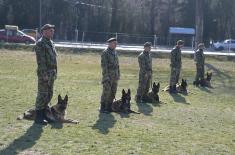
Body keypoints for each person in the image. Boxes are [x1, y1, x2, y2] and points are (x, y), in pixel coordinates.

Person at [34, 24, 57, 124]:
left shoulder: (50, 42)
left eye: (53, 30)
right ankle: (38, 117)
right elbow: (41, 61)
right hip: (45, 74)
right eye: (51, 30)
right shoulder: (40, 43)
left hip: (52, 73)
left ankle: (45, 114)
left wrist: (55, 72)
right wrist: (44, 75)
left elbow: (54, 59)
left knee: (49, 94)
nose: (53, 32)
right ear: (44, 31)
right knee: (42, 94)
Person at [100, 38, 120, 113]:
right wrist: (106, 77)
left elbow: (117, 65)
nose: (116, 45)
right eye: (114, 43)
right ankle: (103, 107)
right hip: (108, 75)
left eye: (116, 43)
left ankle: (109, 107)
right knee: (106, 92)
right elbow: (104, 66)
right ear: (110, 44)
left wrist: (118, 74)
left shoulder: (115, 52)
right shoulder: (105, 53)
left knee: (113, 92)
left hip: (115, 75)